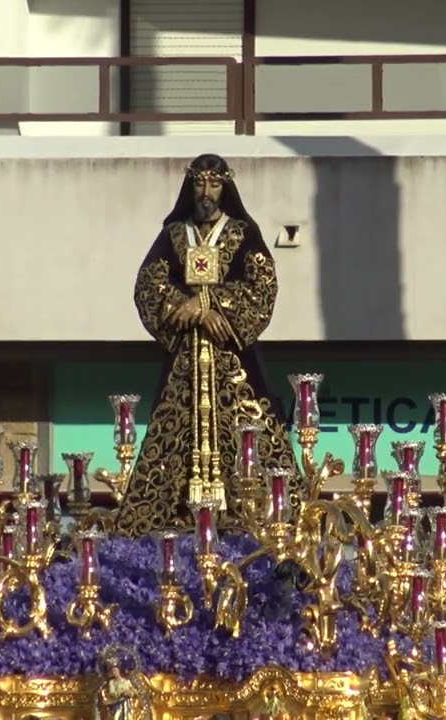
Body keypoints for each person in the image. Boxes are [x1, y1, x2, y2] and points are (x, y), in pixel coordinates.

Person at [114, 153, 298, 536]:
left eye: (214, 184)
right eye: (199, 183)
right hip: (185, 365)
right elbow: (148, 285)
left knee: (252, 438)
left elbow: (263, 287)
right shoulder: (173, 236)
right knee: (168, 446)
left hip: (233, 364)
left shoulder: (244, 234)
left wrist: (212, 303)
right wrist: (188, 308)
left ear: (225, 187)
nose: (206, 192)